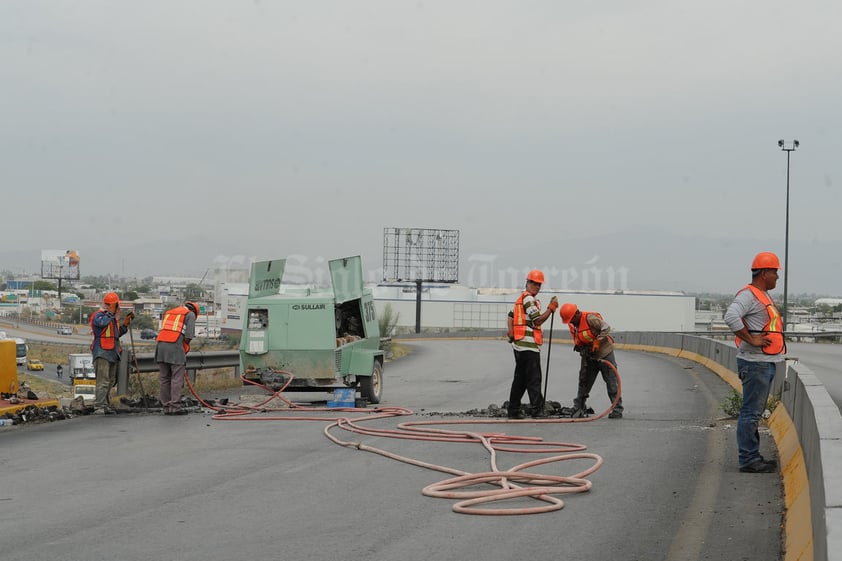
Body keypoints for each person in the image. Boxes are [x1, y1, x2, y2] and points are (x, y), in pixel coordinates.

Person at [724, 251, 786, 473]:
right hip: (755, 363)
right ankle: (748, 459)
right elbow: (731, 316)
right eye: (775, 272)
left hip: (762, 362)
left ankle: (753, 455)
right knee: (751, 412)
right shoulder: (749, 295)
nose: (778, 277)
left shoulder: (763, 294)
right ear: (764, 273)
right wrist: (751, 339)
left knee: (754, 411)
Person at [507, 269, 557, 419]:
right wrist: (551, 308)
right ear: (527, 283)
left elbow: (510, 315)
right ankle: (537, 410)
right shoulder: (529, 299)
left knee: (520, 380)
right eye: (533, 283)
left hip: (520, 345)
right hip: (528, 346)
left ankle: (513, 410)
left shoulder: (521, 298)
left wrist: (511, 333)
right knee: (534, 379)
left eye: (538, 284)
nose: (536, 286)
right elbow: (538, 320)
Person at [559, 303, 623, 419]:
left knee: (611, 381)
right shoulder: (573, 325)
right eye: (569, 321)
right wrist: (580, 347)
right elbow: (579, 339)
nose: (571, 322)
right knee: (584, 381)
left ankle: (617, 409)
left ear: (577, 314)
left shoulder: (590, 318)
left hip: (604, 353)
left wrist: (598, 341)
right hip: (589, 355)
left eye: (571, 319)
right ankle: (579, 406)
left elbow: (606, 327)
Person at [90, 292, 133, 414]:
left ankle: (105, 403)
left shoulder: (112, 319)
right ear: (110, 305)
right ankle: (99, 405)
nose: (118, 309)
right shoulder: (98, 316)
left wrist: (125, 324)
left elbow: (116, 334)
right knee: (103, 381)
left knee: (111, 380)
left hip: (113, 353)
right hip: (102, 352)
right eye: (116, 306)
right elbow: (101, 323)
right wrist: (111, 313)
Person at [155, 301, 198, 415]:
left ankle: (166, 406)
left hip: (161, 346)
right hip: (175, 347)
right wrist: (184, 348)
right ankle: (175, 407)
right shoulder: (190, 314)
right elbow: (189, 336)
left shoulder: (169, 312)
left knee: (164, 378)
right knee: (176, 378)